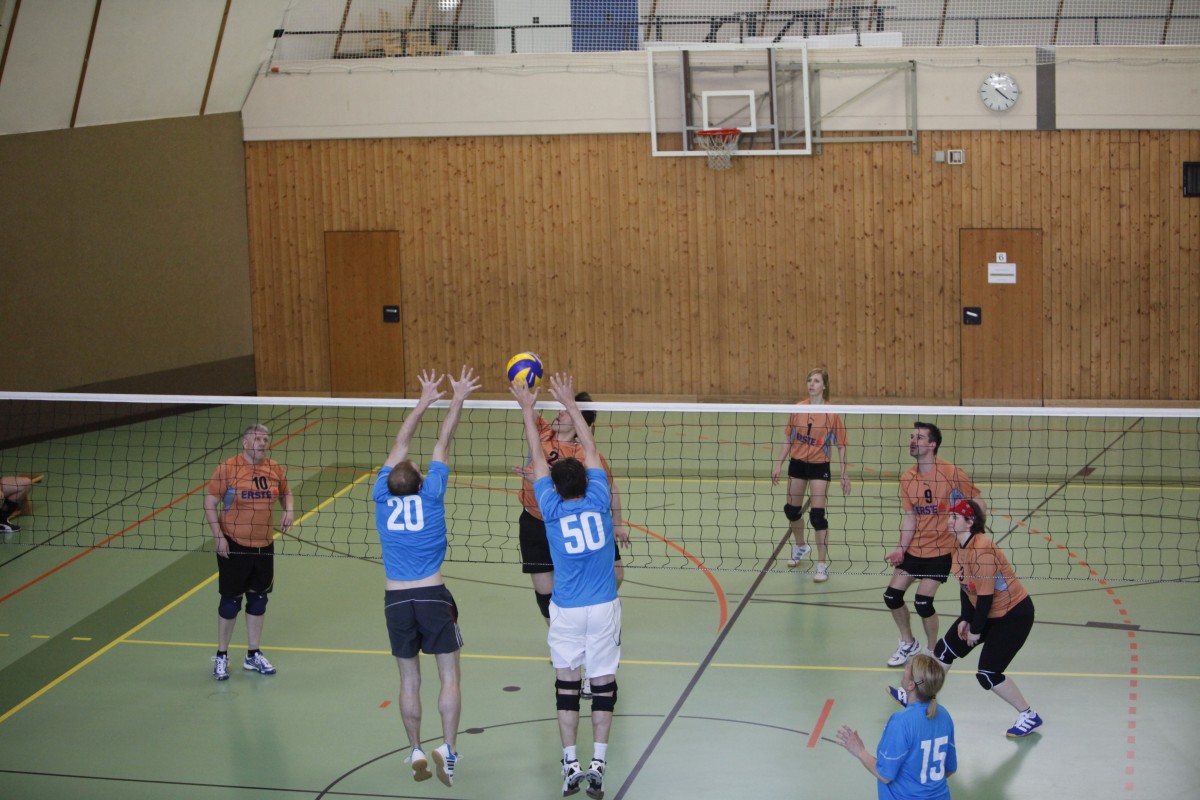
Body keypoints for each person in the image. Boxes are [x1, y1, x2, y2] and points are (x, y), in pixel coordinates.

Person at [513, 373, 620, 800]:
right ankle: (599, 764)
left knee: (567, 687)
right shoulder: (600, 501)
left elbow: (538, 458)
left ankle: (570, 763)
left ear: (554, 488)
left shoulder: (552, 511)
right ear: (589, 481)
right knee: (604, 686)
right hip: (604, 606)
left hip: (568, 610)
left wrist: (527, 407)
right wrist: (573, 408)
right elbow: (591, 452)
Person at [373, 366, 480, 787]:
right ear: (420, 482)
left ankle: (416, 748)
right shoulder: (432, 495)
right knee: (449, 676)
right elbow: (442, 442)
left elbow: (400, 444)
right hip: (432, 595)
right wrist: (457, 397)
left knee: (409, 679)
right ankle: (447, 750)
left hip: (396, 599)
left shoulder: (381, 496)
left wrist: (421, 402)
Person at [889, 498, 1043, 738]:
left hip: (1013, 615)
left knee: (987, 674)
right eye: (949, 516)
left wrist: (975, 630)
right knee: (944, 651)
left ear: (970, 522)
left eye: (955, 517)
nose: (949, 521)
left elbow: (985, 597)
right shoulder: (957, 546)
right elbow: (966, 586)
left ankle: (1028, 715)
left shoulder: (983, 550)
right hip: (985, 611)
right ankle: (917, 697)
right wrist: (965, 618)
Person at [514, 389, 630, 624]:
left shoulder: (586, 455)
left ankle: (592, 604)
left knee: (617, 573)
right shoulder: (544, 432)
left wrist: (617, 524)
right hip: (536, 522)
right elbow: (528, 409)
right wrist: (524, 386)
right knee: (545, 594)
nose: (560, 412)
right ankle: (559, 634)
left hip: (575, 521)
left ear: (579, 421)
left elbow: (610, 489)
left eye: (567, 411)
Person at [882, 421, 983, 668]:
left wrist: (975, 535)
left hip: (942, 550)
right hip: (916, 547)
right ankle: (908, 643)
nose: (912, 441)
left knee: (923, 602)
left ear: (932, 445)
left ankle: (931, 650)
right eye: (911, 437)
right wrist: (901, 549)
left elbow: (978, 501)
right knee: (891, 596)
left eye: (918, 438)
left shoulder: (950, 472)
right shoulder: (907, 478)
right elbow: (910, 517)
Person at [204, 423, 294, 680]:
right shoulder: (229, 468)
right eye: (257, 439)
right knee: (230, 603)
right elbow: (210, 502)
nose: (262, 443)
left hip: (264, 545)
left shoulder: (274, 468)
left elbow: (286, 493)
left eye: (265, 439)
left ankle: (253, 654)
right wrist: (218, 536)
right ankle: (222, 655)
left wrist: (288, 510)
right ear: (245, 443)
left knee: (258, 599)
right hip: (234, 545)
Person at [770, 367, 852, 581]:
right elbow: (788, 438)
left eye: (816, 381)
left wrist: (844, 474)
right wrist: (778, 464)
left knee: (817, 517)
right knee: (791, 511)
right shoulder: (798, 409)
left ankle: (822, 564)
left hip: (819, 466)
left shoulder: (831, 413)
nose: (811, 384)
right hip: (797, 464)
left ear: (824, 386)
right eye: (809, 380)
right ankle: (801, 546)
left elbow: (842, 445)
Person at [836, 654, 956, 799]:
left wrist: (859, 750)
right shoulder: (943, 715)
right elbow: (949, 769)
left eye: (907, 668)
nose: (904, 669)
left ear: (911, 685)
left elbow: (885, 774)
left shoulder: (900, 722)